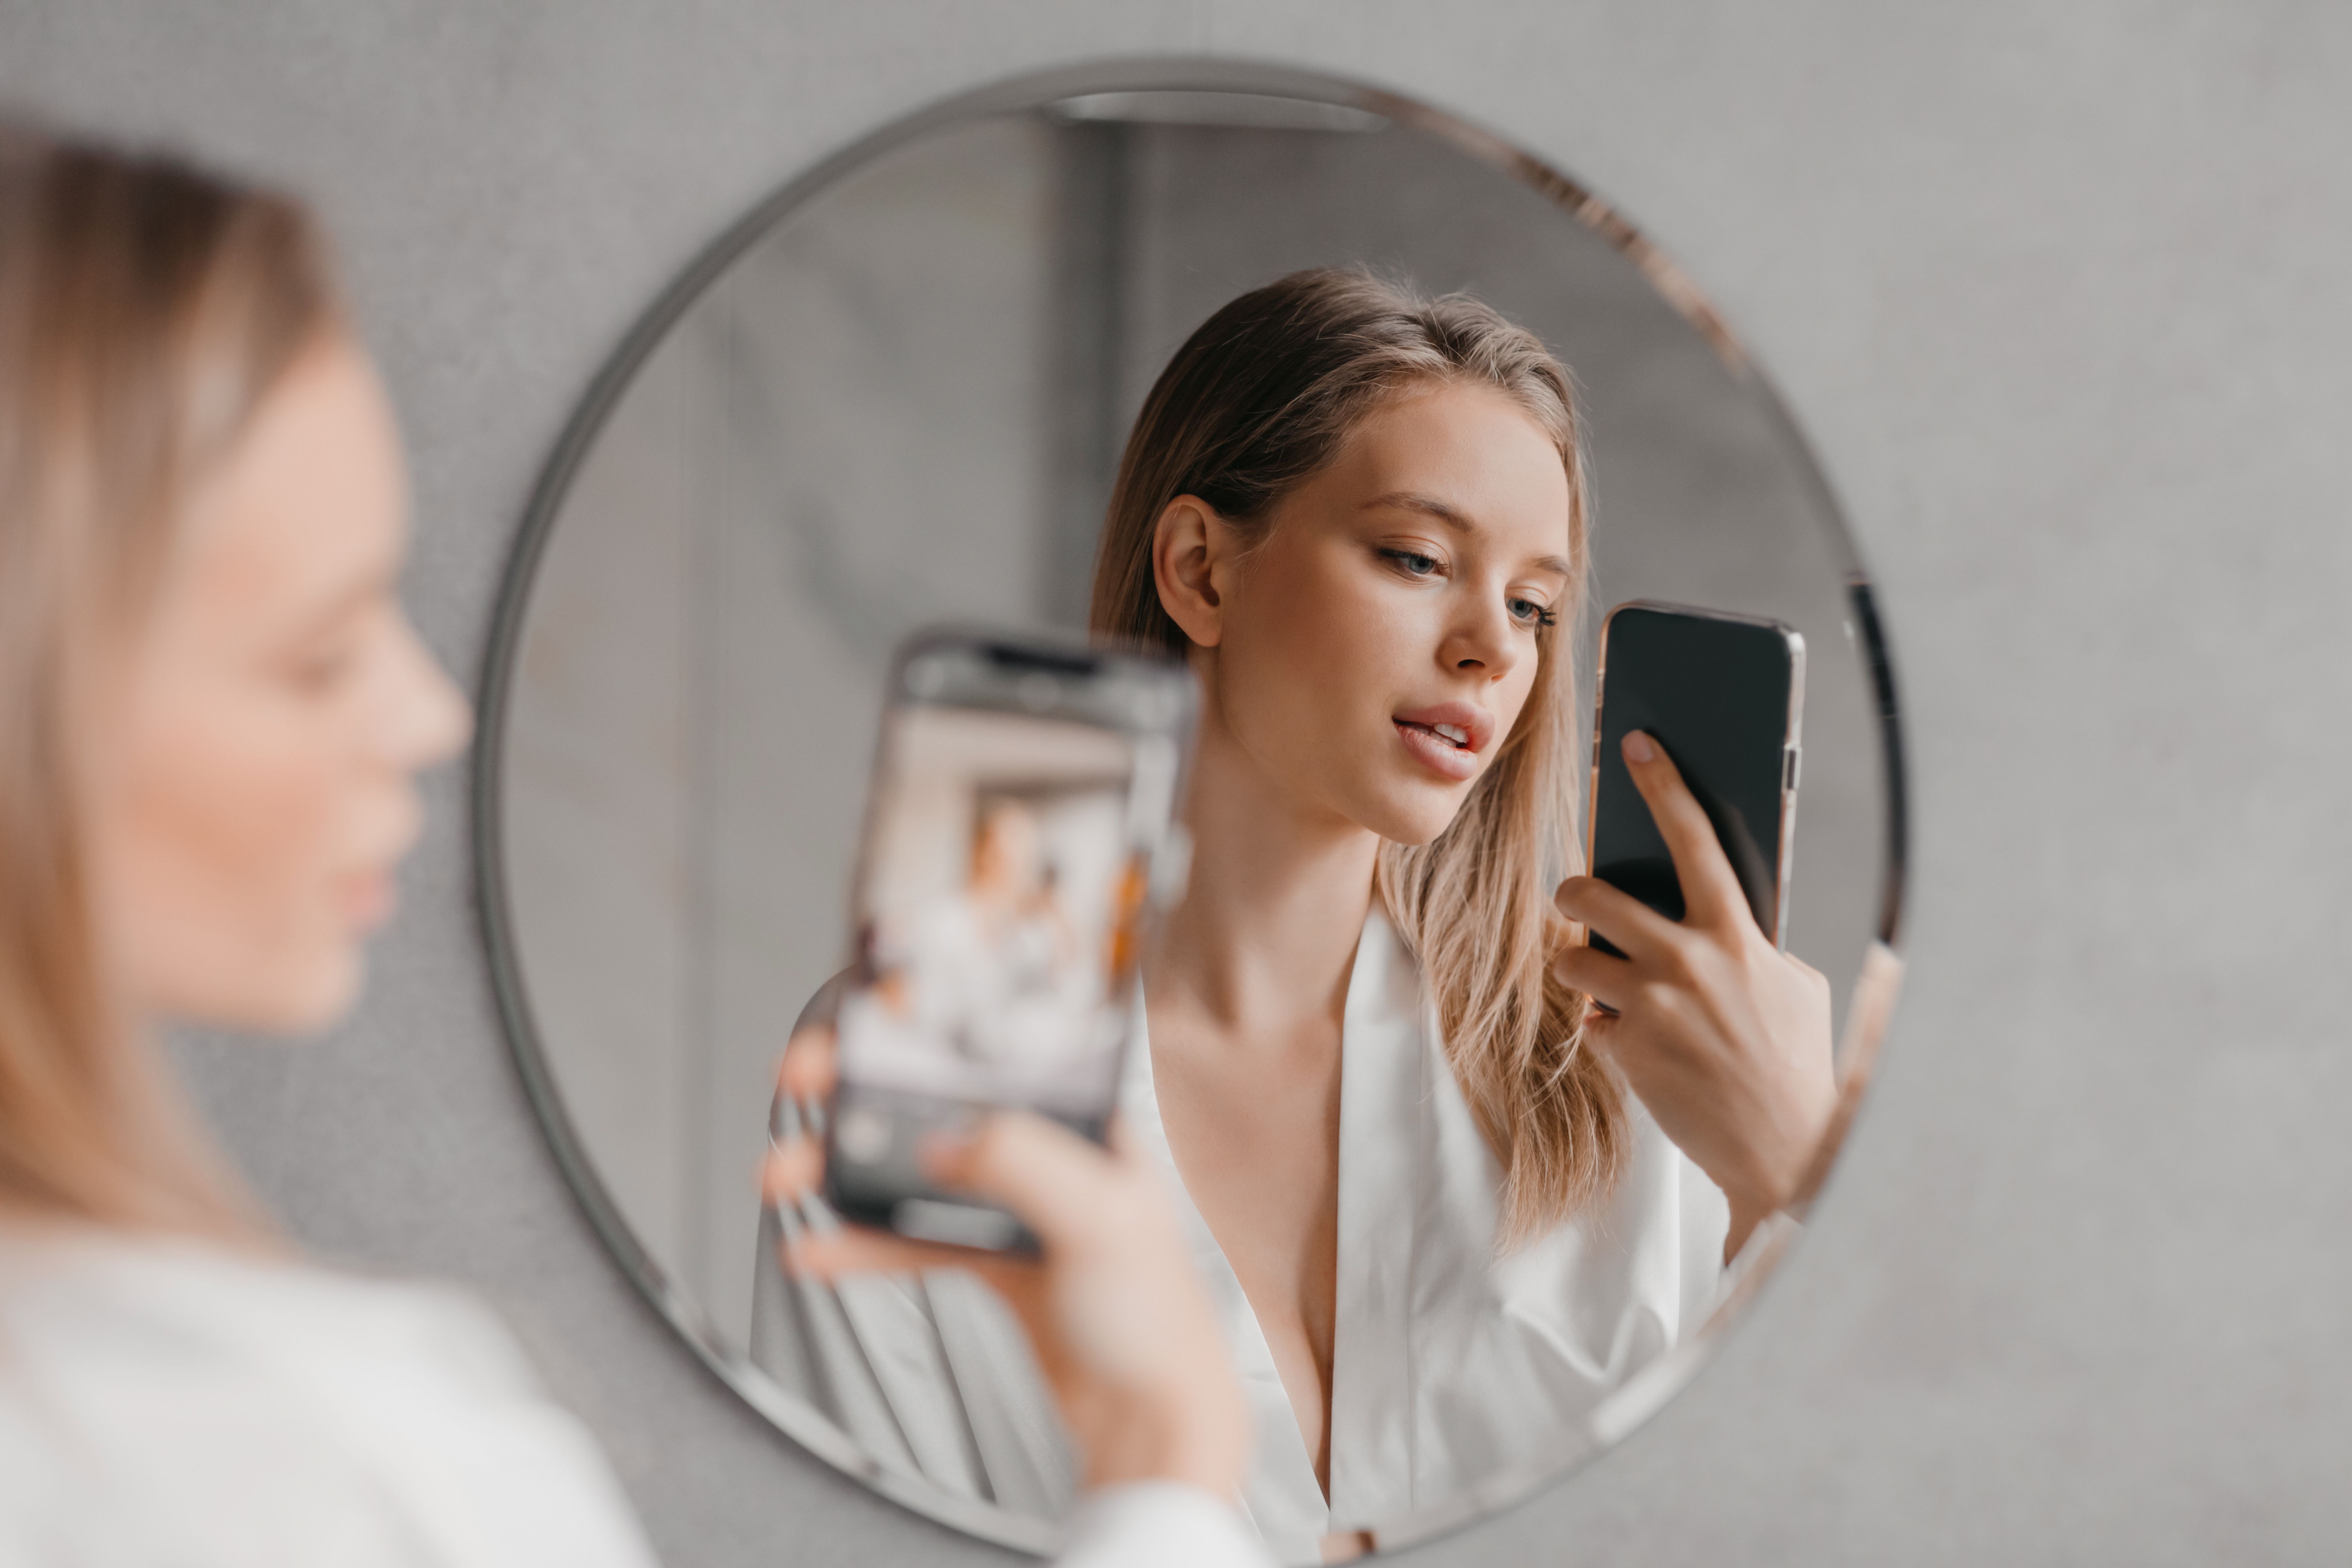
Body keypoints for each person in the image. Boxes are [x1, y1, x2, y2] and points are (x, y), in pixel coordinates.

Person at [0, 124, 1270, 1568]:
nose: (432, 714)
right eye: (316, 654)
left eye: (1539, 604)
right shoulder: (308, 1472)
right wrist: (1166, 1457)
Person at [771, 268, 1854, 1563]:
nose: (1492, 653)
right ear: (1200, 570)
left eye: (1532, 605)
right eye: (1417, 558)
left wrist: (1804, 1179)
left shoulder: (1622, 1067)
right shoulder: (930, 1064)